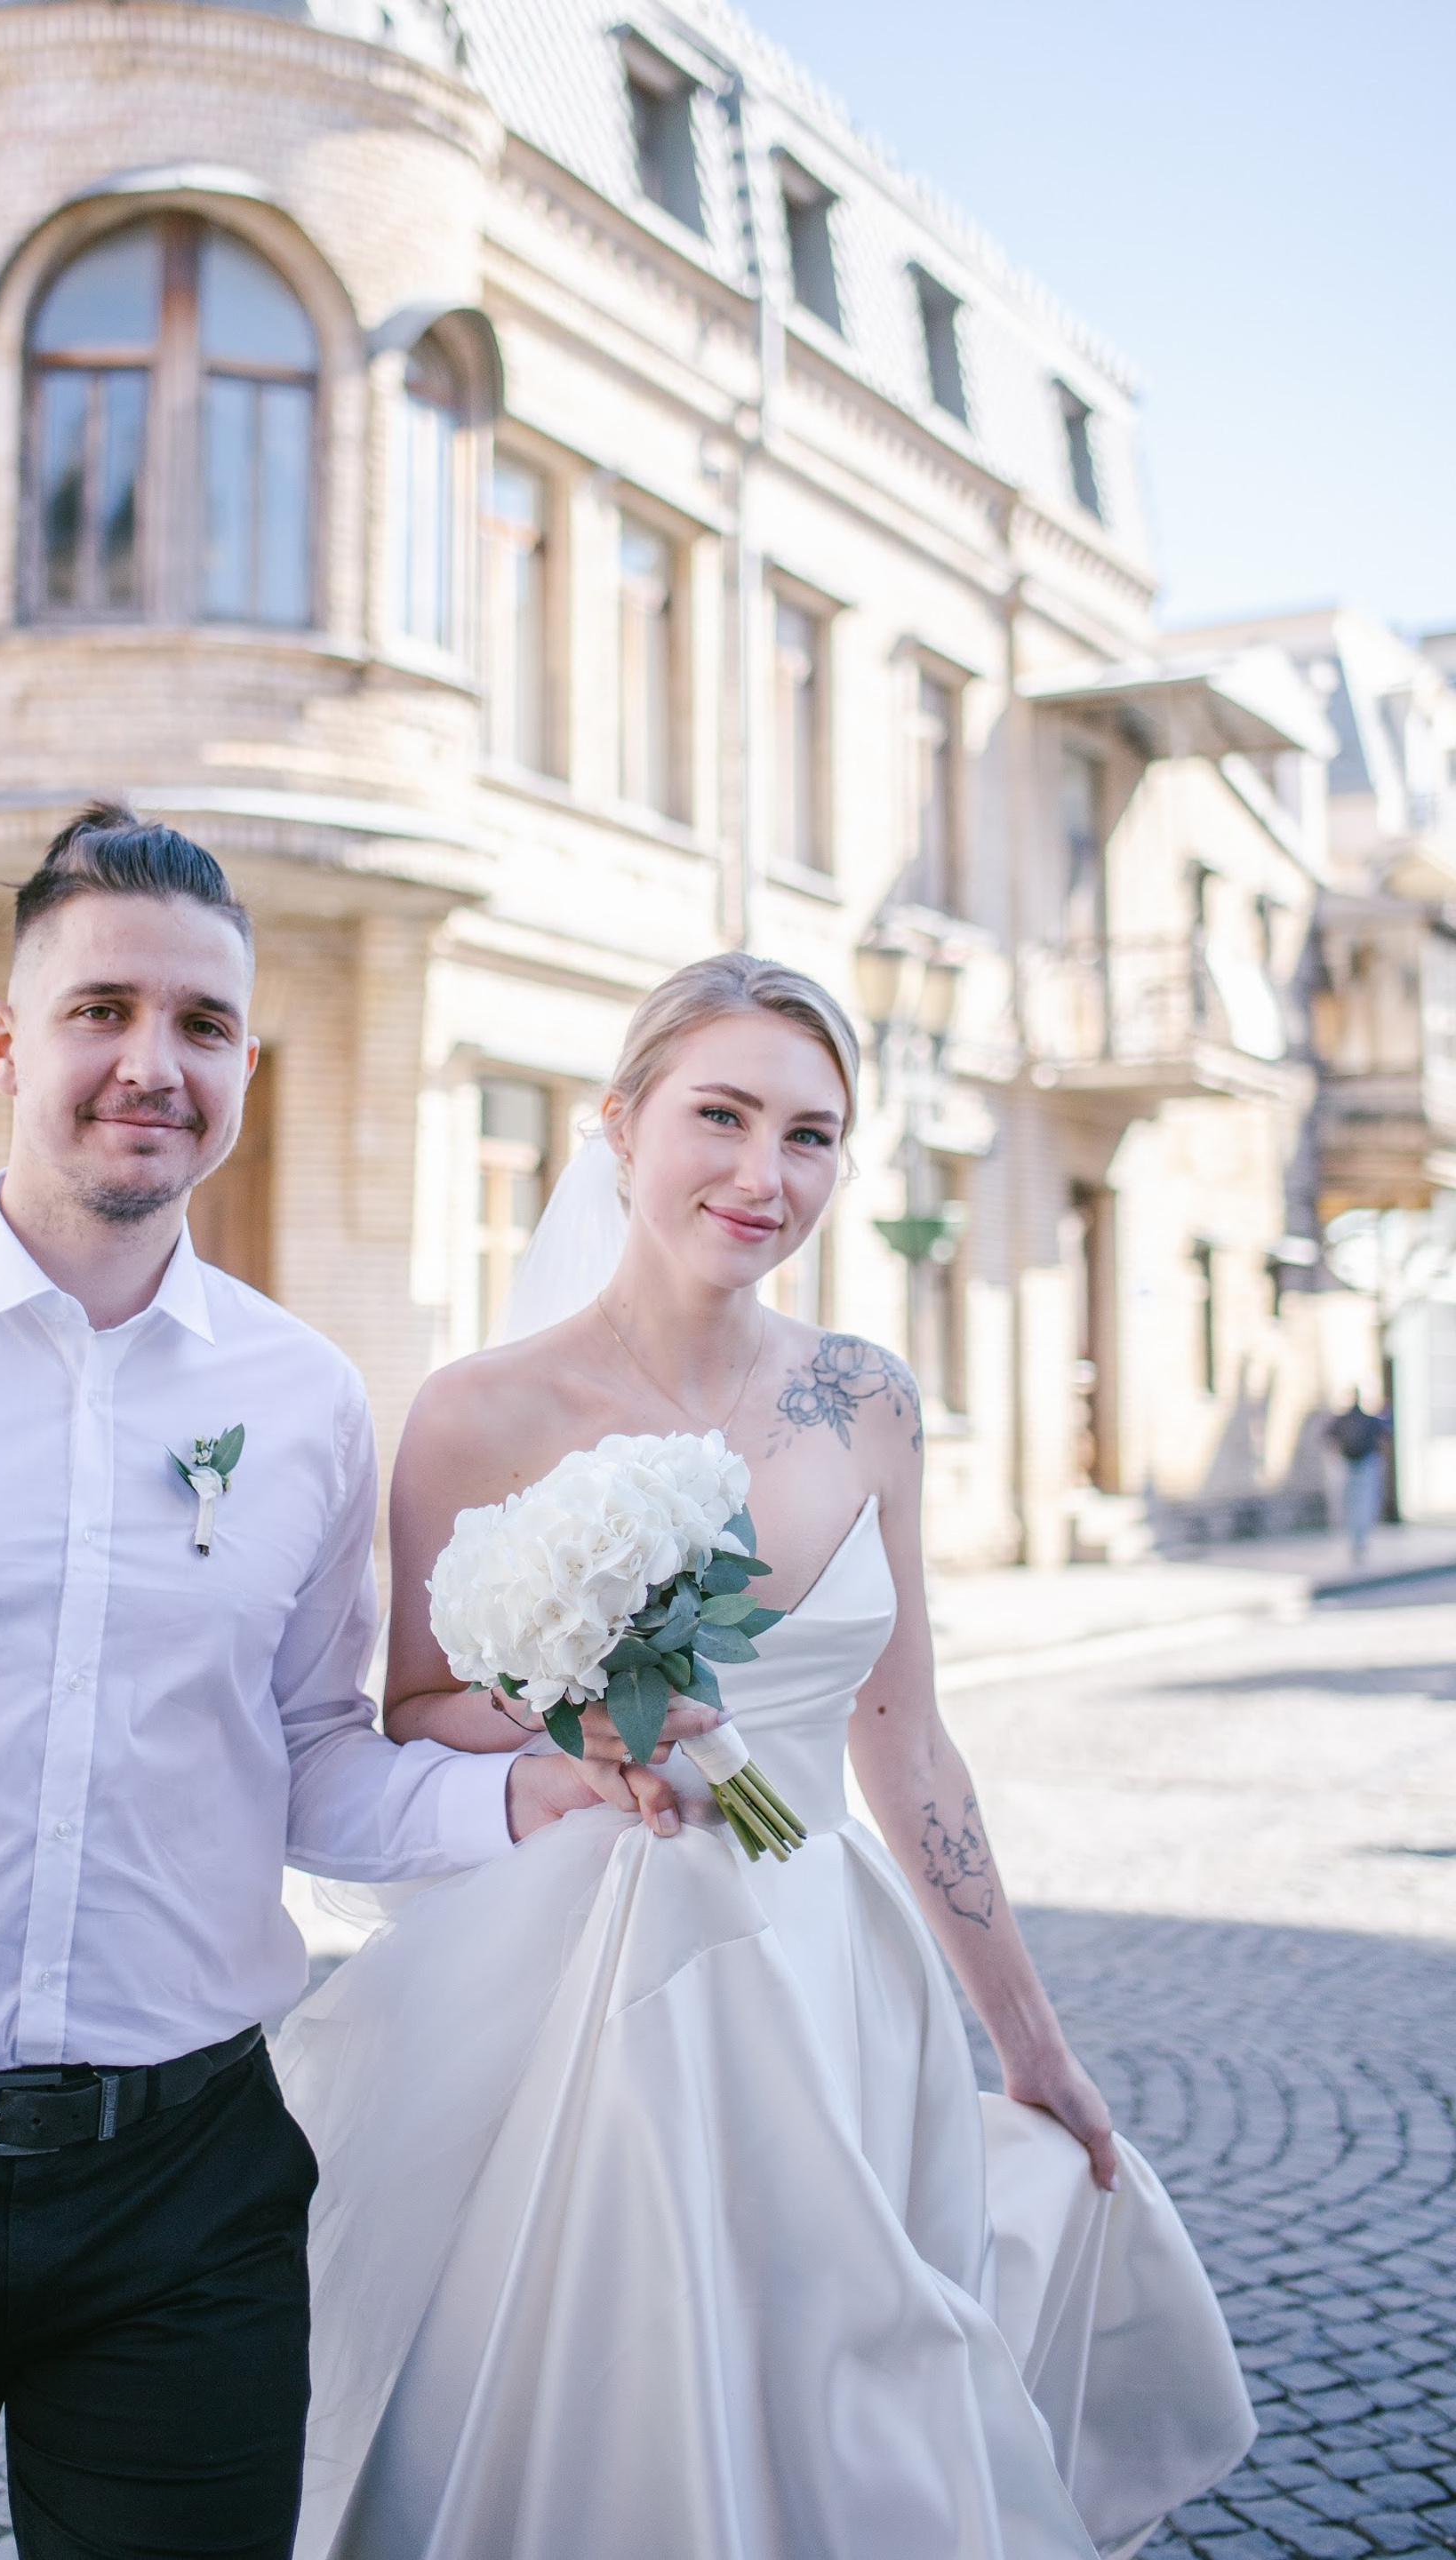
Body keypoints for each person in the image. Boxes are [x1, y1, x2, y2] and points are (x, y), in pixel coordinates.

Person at [276, 953, 1258, 2560]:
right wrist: (575, 1716)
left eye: (811, 1135)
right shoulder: (476, 1412)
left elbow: (909, 1740)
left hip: (827, 1957)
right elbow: (422, 1709)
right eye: (720, 1116)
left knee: (853, 2378)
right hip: (598, 1979)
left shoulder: (866, 1400)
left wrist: (1032, 2042)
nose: (764, 1175)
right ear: (621, 1125)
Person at [0, 805, 625, 2560]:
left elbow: (308, 1761)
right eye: (103, 1009)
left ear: (244, 1063)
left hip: (182, 2192)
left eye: (204, 1024)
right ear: (5, 1039)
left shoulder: (303, 1403)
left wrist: (530, 1791)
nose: (154, 1062)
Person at [1327, 1389, 1390, 1564]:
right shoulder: (1362, 1420)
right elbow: (1383, 1439)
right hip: (1358, 1465)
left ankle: (1358, 1541)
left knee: (1355, 1505)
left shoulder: (1351, 1419)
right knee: (1362, 1504)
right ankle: (1358, 1540)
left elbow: (1330, 1440)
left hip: (1356, 1465)